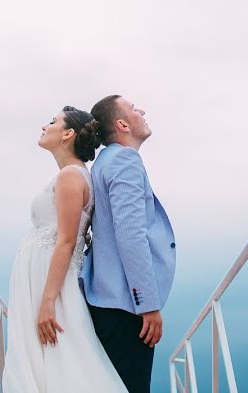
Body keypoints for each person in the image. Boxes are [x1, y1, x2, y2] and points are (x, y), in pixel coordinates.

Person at [2, 106, 127, 392]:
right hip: (41, 280)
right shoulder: (72, 174)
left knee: (68, 359)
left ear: (68, 134)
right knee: (48, 361)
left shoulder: (71, 176)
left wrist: (48, 301)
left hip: (52, 285)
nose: (45, 126)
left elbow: (67, 240)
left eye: (52, 122)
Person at [80, 95, 176, 393]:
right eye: (134, 108)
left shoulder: (101, 164)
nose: (142, 111)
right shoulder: (124, 160)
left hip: (105, 302)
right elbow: (130, 233)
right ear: (121, 124)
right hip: (125, 307)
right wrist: (147, 303)